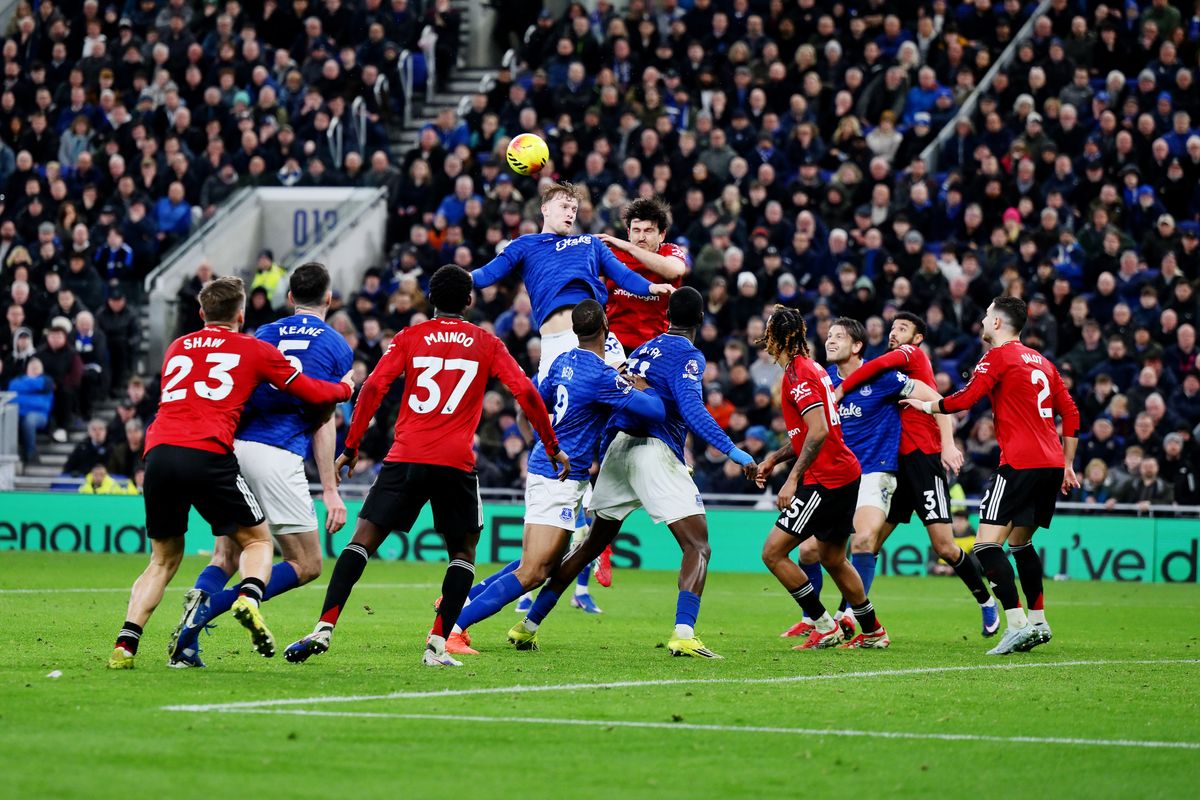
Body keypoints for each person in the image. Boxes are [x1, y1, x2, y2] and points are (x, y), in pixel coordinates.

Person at [284, 265, 567, 668]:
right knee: (463, 552)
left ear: (430, 299)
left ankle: (324, 627)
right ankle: (436, 645)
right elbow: (525, 391)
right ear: (469, 301)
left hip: (405, 456)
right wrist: (551, 446)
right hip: (455, 462)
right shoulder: (487, 342)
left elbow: (373, 387)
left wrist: (351, 445)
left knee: (362, 541)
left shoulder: (409, 337)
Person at [106, 276, 354, 669]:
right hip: (241, 453)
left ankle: (143, 643)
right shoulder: (261, 346)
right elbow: (318, 403)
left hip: (172, 450)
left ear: (200, 312)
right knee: (296, 559)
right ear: (240, 314)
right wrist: (345, 389)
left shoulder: (180, 346)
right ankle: (237, 600)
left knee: (197, 556)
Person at [505, 287, 758, 659]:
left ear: (666, 316)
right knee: (698, 546)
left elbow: (615, 404)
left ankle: (527, 626)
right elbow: (692, 409)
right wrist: (734, 451)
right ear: (701, 320)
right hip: (653, 452)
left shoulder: (642, 351)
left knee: (590, 546)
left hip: (619, 449)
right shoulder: (688, 355)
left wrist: (608, 455)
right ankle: (684, 633)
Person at [442, 300, 666, 655]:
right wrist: (644, 385)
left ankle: (459, 603)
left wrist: (547, 439)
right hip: (556, 478)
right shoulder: (602, 376)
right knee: (534, 571)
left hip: (554, 471)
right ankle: (453, 629)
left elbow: (536, 403)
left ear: (575, 331)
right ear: (606, 328)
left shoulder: (563, 362)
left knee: (544, 562)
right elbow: (655, 410)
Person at [903, 296, 1081, 655]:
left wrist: (926, 405)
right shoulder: (1043, 361)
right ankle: (1038, 621)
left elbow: (966, 398)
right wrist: (1068, 463)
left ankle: (1016, 625)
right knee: (1020, 544)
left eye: (986, 315)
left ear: (998, 323)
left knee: (985, 545)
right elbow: (1071, 412)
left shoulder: (997, 356)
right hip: (1050, 463)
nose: (983, 320)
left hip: (1019, 463)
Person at [777, 317, 966, 639]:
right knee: (808, 551)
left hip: (875, 472)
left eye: (839, 336)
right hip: (837, 478)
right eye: (829, 335)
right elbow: (812, 433)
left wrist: (947, 443)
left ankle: (853, 619)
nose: (830, 341)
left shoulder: (882, 377)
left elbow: (932, 396)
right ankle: (813, 620)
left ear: (857, 346)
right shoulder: (823, 379)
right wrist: (776, 459)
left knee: (863, 540)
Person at [833, 311, 996, 635]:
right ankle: (847, 613)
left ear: (917, 338)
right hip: (895, 466)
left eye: (902, 328)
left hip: (923, 460)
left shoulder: (912, 355)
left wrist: (947, 446)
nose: (894, 333)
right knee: (867, 542)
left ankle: (986, 601)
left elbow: (939, 404)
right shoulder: (893, 377)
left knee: (944, 547)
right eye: (892, 328)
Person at [752, 306, 890, 650]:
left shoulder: (798, 374)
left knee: (772, 553)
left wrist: (792, 479)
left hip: (825, 479)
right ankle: (872, 630)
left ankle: (824, 624)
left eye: (768, 333)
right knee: (833, 559)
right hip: (843, 473)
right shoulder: (810, 368)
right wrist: (774, 459)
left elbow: (818, 431)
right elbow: (806, 433)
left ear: (777, 338)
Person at [470, 181, 674, 387]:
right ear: (545, 209)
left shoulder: (589, 242)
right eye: (564, 207)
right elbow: (488, 273)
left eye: (574, 209)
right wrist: (464, 278)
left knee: (631, 388)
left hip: (596, 336)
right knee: (540, 405)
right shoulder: (524, 244)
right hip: (554, 344)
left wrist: (651, 287)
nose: (570, 213)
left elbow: (623, 275)